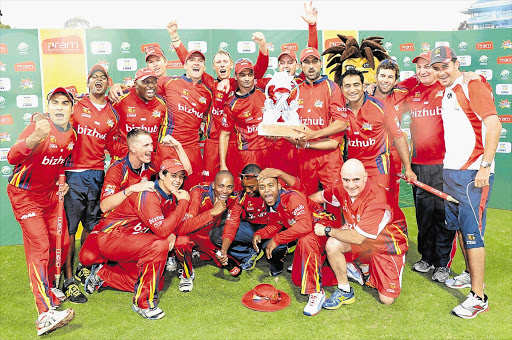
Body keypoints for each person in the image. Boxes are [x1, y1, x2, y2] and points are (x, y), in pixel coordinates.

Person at [430, 46, 501, 319]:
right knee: (460, 228)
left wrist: (484, 166)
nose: (440, 72)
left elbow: (494, 126)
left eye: (445, 66)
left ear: (456, 63)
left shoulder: (473, 84)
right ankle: (469, 274)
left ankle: (478, 297)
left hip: (473, 175)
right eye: (436, 68)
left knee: (473, 233)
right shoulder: (447, 90)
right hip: (453, 173)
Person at [7, 87, 76, 336]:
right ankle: (44, 313)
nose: (59, 107)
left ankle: (48, 290)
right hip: (24, 196)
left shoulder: (72, 136)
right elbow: (13, 158)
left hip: (49, 196)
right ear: (49, 107)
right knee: (39, 248)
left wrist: (61, 182)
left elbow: (59, 162)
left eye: (64, 103)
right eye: (55, 103)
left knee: (62, 241)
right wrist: (35, 137)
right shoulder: (39, 128)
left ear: (71, 108)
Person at [83, 159, 190, 320]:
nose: (178, 180)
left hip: (133, 241)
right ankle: (143, 303)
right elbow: (161, 230)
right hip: (113, 237)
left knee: (156, 282)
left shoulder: (168, 195)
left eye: (181, 177)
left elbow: (168, 222)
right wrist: (183, 203)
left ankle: (104, 275)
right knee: (159, 245)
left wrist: (172, 231)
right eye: (173, 175)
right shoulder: (149, 194)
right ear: (161, 174)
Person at [78, 129, 191, 267]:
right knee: (87, 258)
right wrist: (131, 189)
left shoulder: (151, 161)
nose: (151, 149)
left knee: (159, 241)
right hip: (117, 224)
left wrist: (178, 146)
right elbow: (104, 206)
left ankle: (117, 264)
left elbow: (186, 171)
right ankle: (115, 262)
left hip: (143, 220)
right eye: (146, 146)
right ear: (132, 148)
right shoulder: (118, 169)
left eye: (151, 145)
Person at [310, 159, 408, 306]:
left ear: (365, 177)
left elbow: (357, 238)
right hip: (361, 235)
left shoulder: (377, 199)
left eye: (356, 180)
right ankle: (345, 290)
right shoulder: (341, 187)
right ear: (341, 177)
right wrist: (300, 207)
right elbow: (319, 197)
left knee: (387, 300)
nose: (350, 185)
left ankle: (366, 264)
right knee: (333, 244)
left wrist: (326, 230)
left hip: (387, 244)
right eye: (346, 180)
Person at [60, 64, 119, 303]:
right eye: (94, 77)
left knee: (91, 227)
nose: (98, 80)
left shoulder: (112, 114)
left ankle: (83, 266)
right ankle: (67, 281)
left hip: (96, 175)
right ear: (88, 82)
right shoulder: (76, 106)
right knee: (69, 231)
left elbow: (113, 147)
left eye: (102, 78)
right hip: (73, 174)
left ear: (107, 83)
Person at [404, 51, 456, 282]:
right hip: (419, 165)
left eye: (428, 67)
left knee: (443, 216)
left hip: (445, 165)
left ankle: (442, 264)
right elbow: (394, 89)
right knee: (423, 215)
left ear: (437, 69)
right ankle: (427, 257)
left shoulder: (446, 90)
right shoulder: (412, 92)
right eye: (419, 68)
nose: (423, 71)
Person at [254, 173, 337, 316]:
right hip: (311, 235)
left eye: (270, 185)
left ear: (279, 186)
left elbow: (305, 226)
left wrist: (277, 239)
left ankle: (316, 292)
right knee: (298, 279)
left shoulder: (292, 197)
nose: (266, 190)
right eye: (262, 187)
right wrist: (261, 234)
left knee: (305, 238)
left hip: (327, 229)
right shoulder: (272, 203)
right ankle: (342, 271)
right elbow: (277, 223)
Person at [340, 69, 416, 192]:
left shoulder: (382, 106)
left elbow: (398, 137)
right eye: (347, 86)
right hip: (352, 170)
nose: (352, 90)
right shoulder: (339, 110)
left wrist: (408, 168)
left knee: (378, 208)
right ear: (342, 89)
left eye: (356, 85)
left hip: (378, 169)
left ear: (363, 86)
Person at [211, 165, 294, 275]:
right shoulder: (242, 196)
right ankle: (249, 254)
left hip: (272, 229)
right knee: (216, 235)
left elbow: (297, 186)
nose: (247, 190)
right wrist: (224, 250)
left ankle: (279, 258)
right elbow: (231, 224)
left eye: (251, 187)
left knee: (277, 252)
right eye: (244, 186)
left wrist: (280, 173)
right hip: (250, 228)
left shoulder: (273, 190)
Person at [287, 47, 348, 196]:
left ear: (321, 63)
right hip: (304, 156)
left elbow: (342, 123)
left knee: (335, 199)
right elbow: (288, 126)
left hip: (329, 155)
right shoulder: (295, 91)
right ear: (301, 66)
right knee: (307, 200)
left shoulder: (332, 87)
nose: (311, 66)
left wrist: (313, 135)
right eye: (306, 62)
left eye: (315, 61)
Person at [173, 170, 236, 292]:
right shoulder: (198, 193)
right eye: (221, 186)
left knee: (232, 266)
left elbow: (232, 224)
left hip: (208, 237)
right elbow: (182, 228)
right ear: (213, 185)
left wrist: (224, 248)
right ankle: (187, 273)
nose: (225, 191)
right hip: (190, 235)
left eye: (229, 187)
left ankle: (199, 252)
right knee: (181, 242)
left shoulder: (233, 196)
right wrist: (211, 212)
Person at [219, 58, 274, 173]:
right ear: (235, 76)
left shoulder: (266, 94)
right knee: (250, 189)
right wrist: (223, 164)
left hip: (269, 150)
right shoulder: (231, 104)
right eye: (242, 75)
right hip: (247, 153)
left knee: (270, 187)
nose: (247, 78)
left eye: (250, 74)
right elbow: (225, 135)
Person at [109, 68, 170, 161]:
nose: (150, 85)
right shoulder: (120, 98)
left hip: (149, 161)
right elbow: (99, 107)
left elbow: (163, 136)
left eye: (153, 82)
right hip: (123, 159)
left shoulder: (162, 104)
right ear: (136, 84)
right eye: (145, 82)